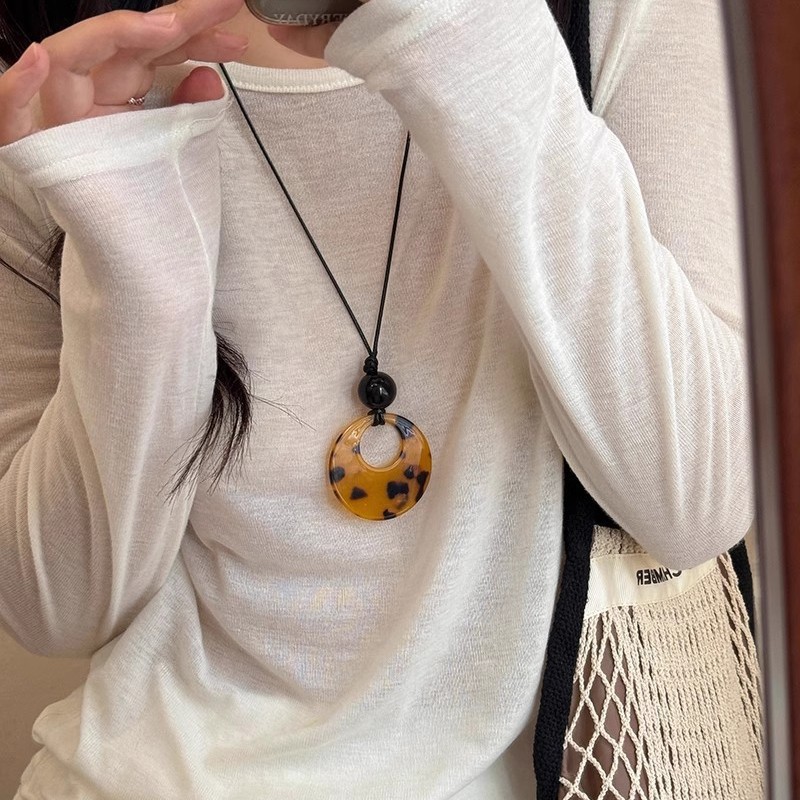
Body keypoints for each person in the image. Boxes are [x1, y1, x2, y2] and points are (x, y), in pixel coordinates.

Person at [0, 0, 753, 797]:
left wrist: (472, 50)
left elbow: (697, 503)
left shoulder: (625, 14)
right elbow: (55, 608)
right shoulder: (57, 69)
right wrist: (136, 280)